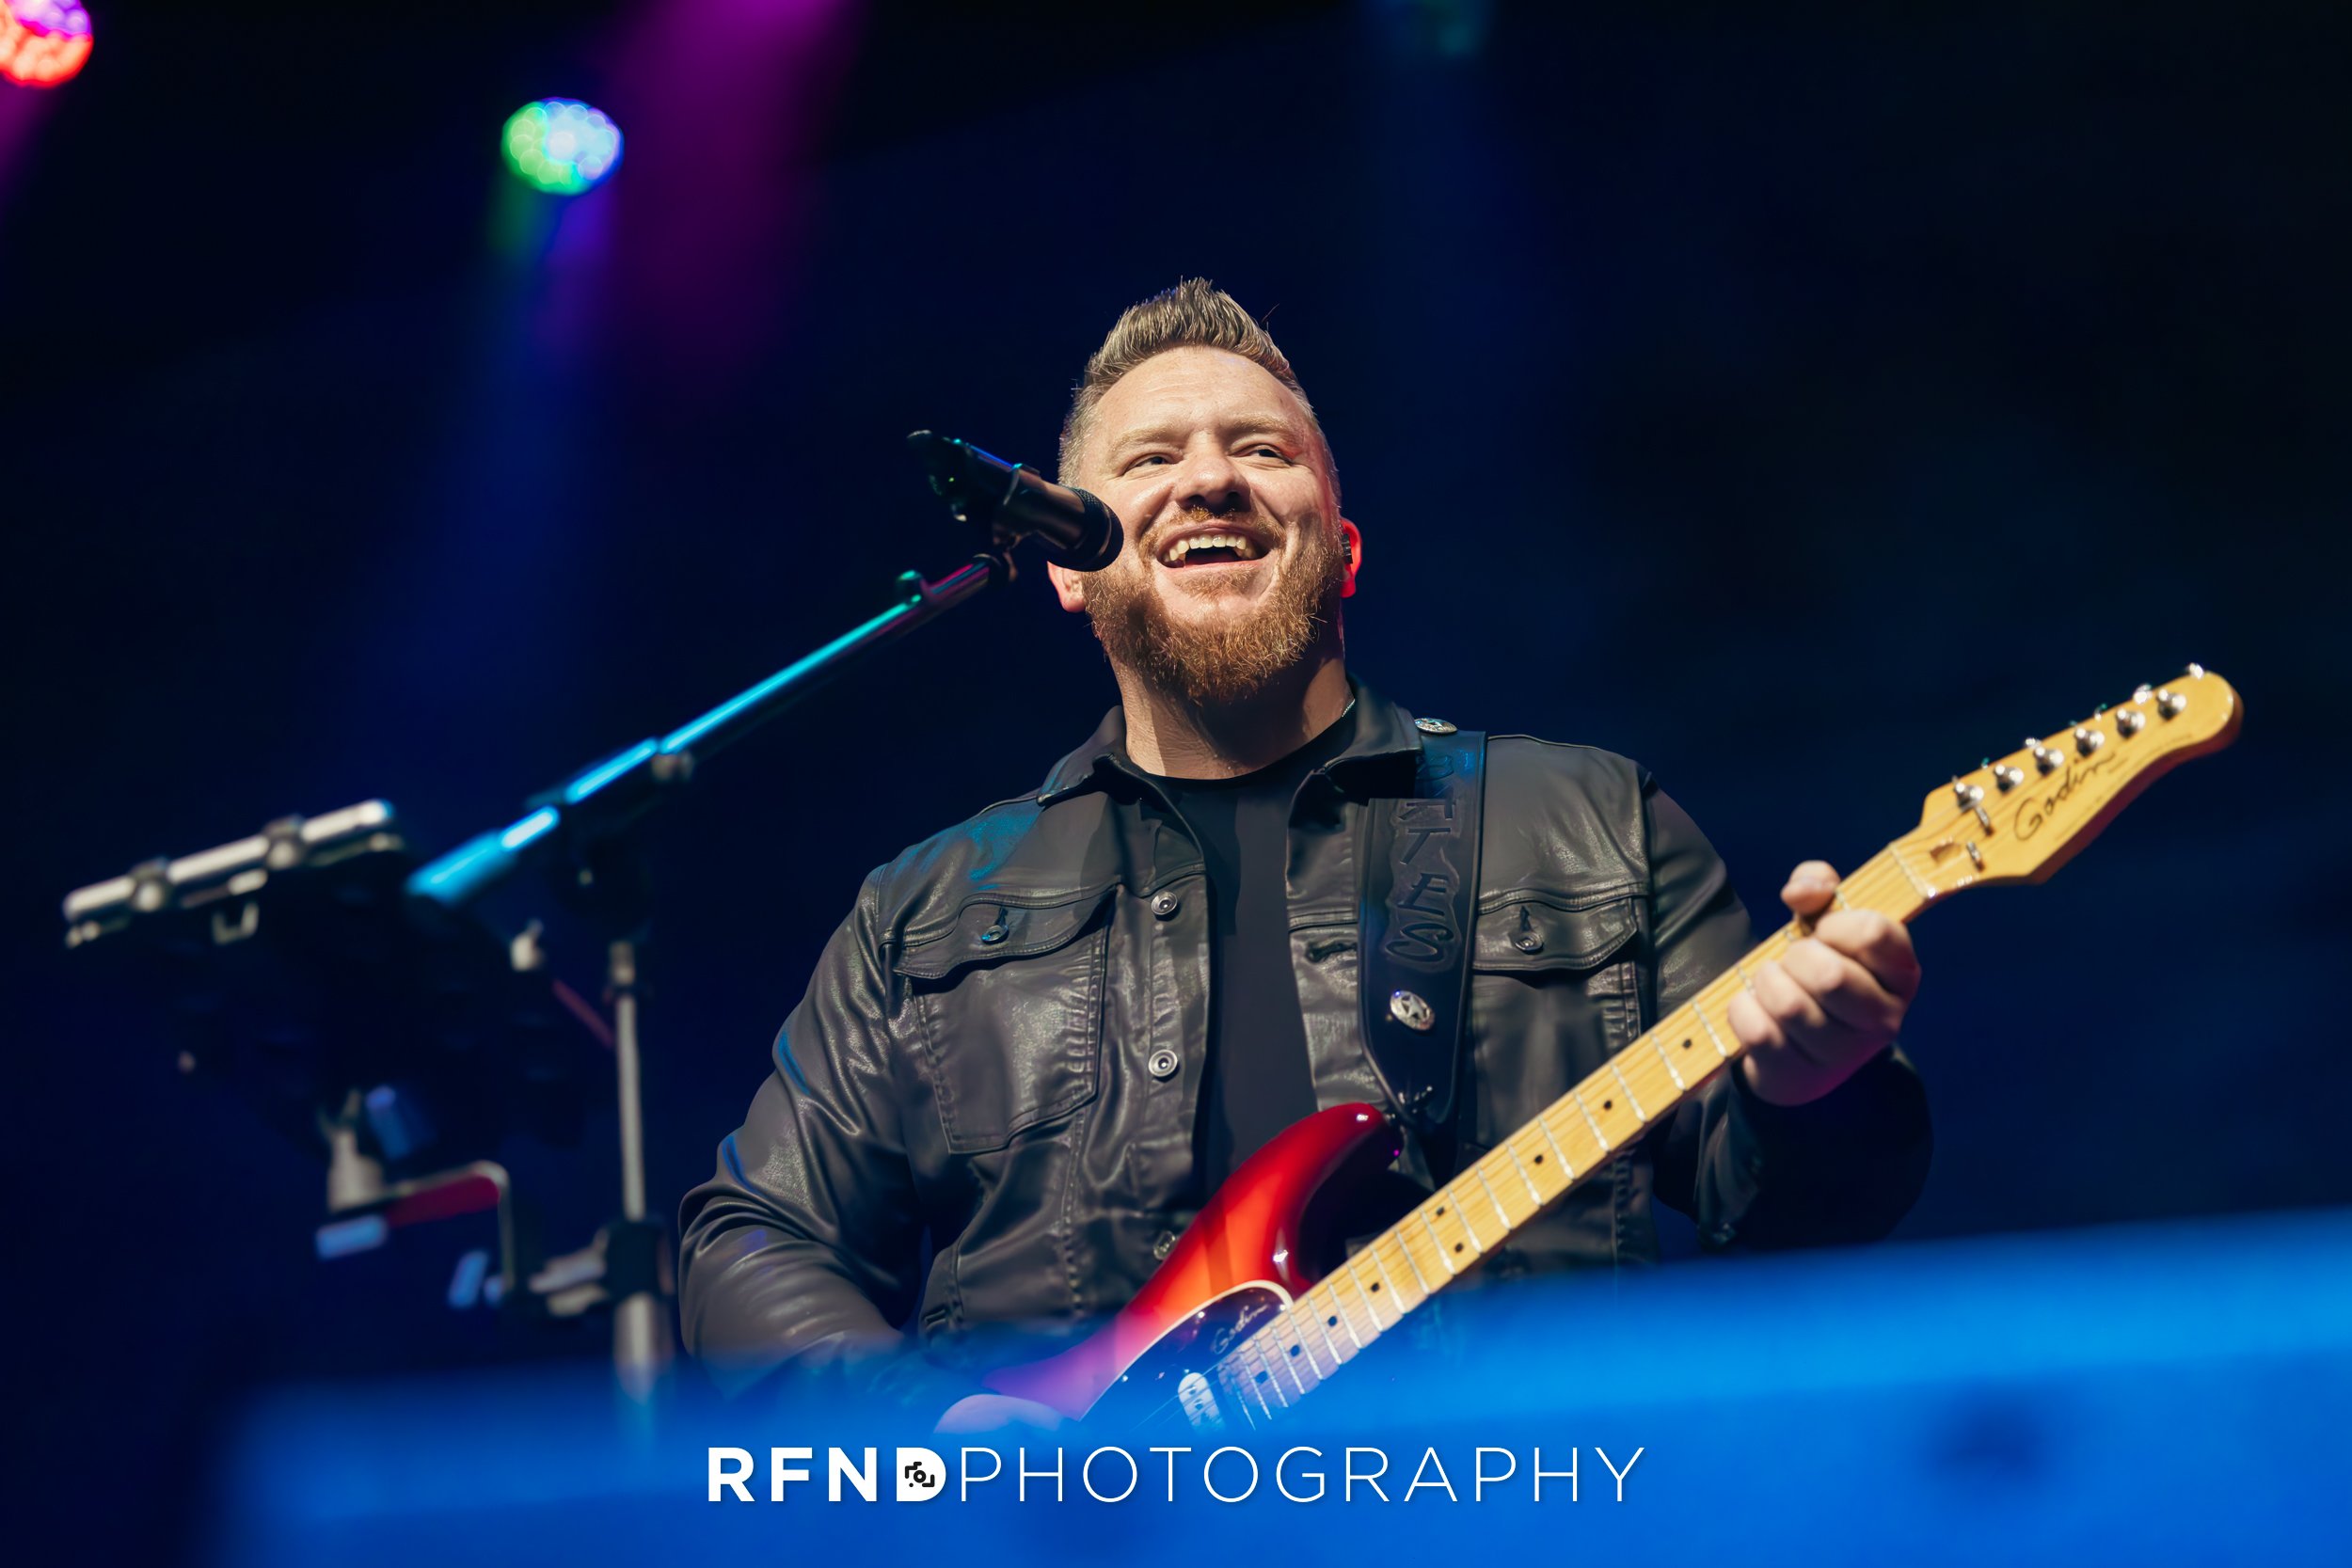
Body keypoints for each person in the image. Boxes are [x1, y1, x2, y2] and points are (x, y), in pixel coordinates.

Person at [677, 280, 1931, 1432]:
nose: (1210, 479)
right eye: (1150, 460)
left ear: (1344, 548)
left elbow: (1799, 1219)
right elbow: (749, 1242)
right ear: (1067, 567)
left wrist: (1812, 1087)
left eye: (1262, 451)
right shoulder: (926, 910)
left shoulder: (1591, 816)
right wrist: (929, 1431)